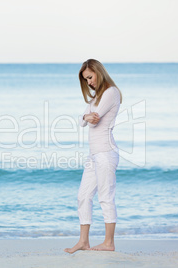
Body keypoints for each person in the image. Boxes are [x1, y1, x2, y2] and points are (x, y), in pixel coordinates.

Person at [64, 59, 122, 253]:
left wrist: (87, 117)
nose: (88, 82)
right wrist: (85, 117)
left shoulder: (111, 92)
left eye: (90, 77)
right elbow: (82, 120)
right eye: (85, 79)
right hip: (94, 155)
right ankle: (83, 241)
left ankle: (109, 243)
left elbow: (94, 119)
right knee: (83, 196)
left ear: (98, 72)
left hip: (106, 153)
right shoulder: (95, 97)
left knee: (106, 198)